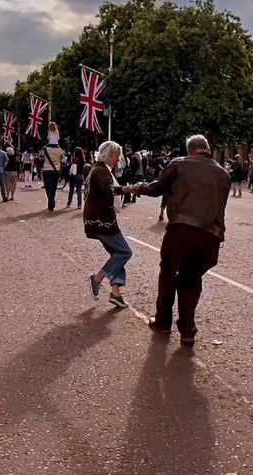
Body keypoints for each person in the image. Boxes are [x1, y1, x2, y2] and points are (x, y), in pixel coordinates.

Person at [136, 134, 231, 346]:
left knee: (168, 273)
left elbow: (156, 188)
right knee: (192, 277)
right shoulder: (224, 174)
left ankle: (162, 322)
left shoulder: (179, 164)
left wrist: (138, 187)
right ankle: (188, 328)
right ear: (207, 148)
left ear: (190, 150)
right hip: (211, 235)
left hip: (182, 229)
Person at [84, 141, 134, 309]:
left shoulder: (99, 169)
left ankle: (115, 293)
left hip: (101, 220)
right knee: (125, 252)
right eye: (116, 156)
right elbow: (111, 189)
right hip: (102, 222)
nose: (118, 159)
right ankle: (97, 279)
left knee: (117, 253)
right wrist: (131, 188)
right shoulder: (101, 171)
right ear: (108, 155)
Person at [42, 123, 64, 211]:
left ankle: (51, 201)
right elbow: (63, 158)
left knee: (48, 187)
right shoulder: (60, 150)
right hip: (56, 169)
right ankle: (51, 202)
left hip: (46, 169)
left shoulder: (45, 149)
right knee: (53, 187)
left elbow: (48, 139)